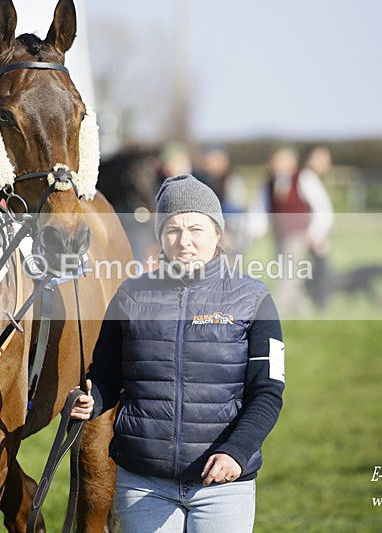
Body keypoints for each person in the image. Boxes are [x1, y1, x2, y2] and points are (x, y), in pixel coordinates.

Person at [71, 174, 285, 533]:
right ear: (160, 237)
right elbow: (106, 376)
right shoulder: (129, 296)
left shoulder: (255, 299)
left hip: (222, 486)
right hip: (143, 484)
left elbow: (268, 392)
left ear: (217, 233)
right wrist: (90, 400)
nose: (184, 241)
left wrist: (238, 451)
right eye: (173, 230)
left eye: (196, 229)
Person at [266, 145, 334, 314]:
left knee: (287, 274)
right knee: (290, 274)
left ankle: (277, 312)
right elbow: (262, 209)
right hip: (279, 234)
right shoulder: (270, 182)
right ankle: (305, 312)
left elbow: (323, 207)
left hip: (298, 234)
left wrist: (316, 232)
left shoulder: (304, 178)